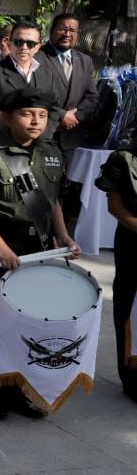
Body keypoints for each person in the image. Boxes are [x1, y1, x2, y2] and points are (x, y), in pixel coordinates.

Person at [0, 87, 79, 420]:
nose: (36, 121)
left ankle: (18, 388)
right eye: (27, 114)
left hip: (35, 248)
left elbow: (53, 201)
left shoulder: (52, 152)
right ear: (6, 118)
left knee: (27, 321)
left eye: (42, 115)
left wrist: (63, 236)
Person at [41, 13, 99, 229]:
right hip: (43, 134)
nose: (66, 33)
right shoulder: (38, 56)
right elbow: (33, 93)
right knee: (41, 187)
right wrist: (60, 115)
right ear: (52, 30)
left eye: (72, 30)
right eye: (62, 28)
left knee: (66, 188)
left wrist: (75, 116)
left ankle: (62, 236)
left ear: (78, 35)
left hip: (71, 139)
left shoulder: (85, 60)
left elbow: (92, 96)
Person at [96, 144, 137, 401]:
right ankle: (132, 374)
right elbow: (116, 208)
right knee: (130, 306)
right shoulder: (124, 158)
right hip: (133, 241)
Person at [0, 22, 60, 144]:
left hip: (38, 146)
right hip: (0, 146)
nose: (24, 47)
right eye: (19, 42)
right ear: (9, 43)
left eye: (30, 44)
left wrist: (40, 138)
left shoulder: (47, 74)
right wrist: (20, 137)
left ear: (37, 47)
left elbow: (54, 110)